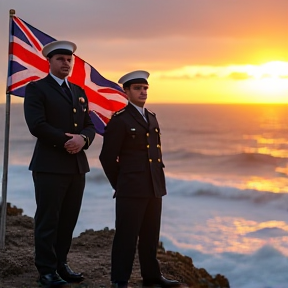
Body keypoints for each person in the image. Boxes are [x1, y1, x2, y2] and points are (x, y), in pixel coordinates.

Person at [24, 40, 96, 287]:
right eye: (60, 59)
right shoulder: (36, 89)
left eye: (69, 59)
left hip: (76, 166)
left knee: (68, 219)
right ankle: (45, 270)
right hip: (49, 165)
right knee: (48, 219)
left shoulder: (78, 91)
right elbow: (37, 125)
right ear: (49, 62)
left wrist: (83, 139)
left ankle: (60, 264)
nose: (66, 63)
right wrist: (68, 141)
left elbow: (89, 125)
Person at [99, 71, 181, 288]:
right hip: (131, 189)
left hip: (154, 187)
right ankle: (120, 280)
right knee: (126, 236)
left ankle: (151, 276)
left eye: (145, 88)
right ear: (126, 92)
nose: (143, 92)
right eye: (137, 88)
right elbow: (106, 157)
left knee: (150, 235)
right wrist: (122, 184)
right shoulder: (120, 120)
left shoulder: (151, 117)